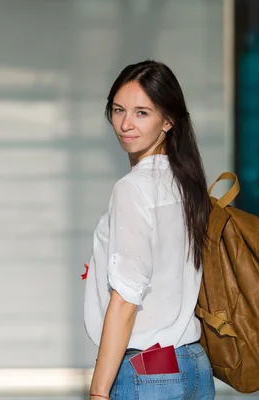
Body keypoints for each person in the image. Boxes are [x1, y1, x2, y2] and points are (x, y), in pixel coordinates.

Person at [83, 60, 215, 399]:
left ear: (168, 121)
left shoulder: (133, 189)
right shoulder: (187, 183)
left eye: (142, 112)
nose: (126, 124)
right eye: (118, 110)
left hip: (148, 370)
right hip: (194, 364)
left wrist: (99, 391)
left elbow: (126, 299)